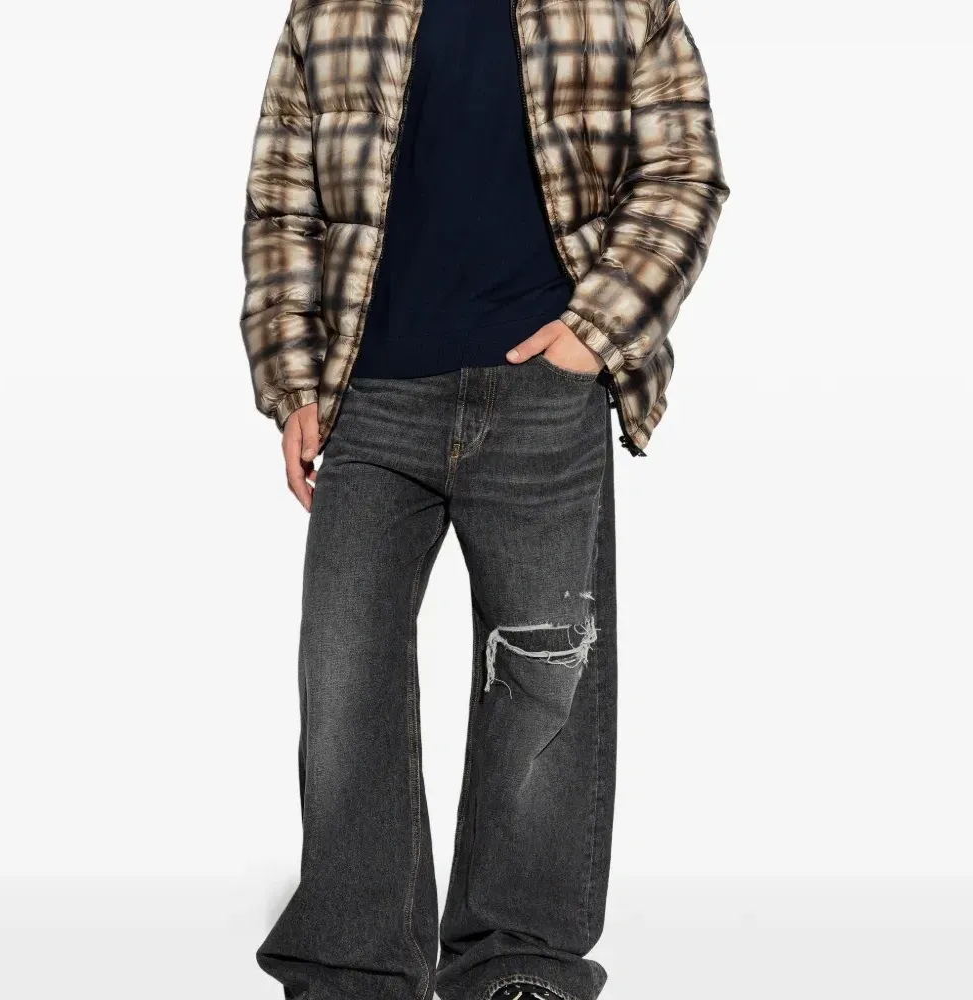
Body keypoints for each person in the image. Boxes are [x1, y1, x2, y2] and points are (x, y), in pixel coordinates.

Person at [239, 0, 728, 998]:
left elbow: (684, 172)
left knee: (544, 686)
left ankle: (520, 961)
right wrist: (293, 380)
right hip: (370, 397)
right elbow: (282, 198)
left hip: (542, 394)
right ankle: (352, 964)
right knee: (344, 678)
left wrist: (593, 334)